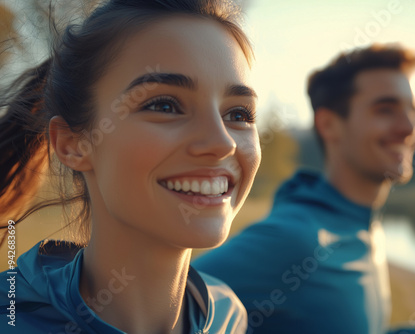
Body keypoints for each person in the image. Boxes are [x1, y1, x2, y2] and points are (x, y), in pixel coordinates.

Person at [193, 44, 415, 334]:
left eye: (411, 110)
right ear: (328, 125)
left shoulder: (362, 224)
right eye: (386, 109)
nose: (410, 127)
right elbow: (167, 308)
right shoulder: (294, 240)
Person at [0, 0, 261, 333]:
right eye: (165, 105)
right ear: (72, 144)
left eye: (238, 114)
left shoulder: (229, 317)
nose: (223, 142)